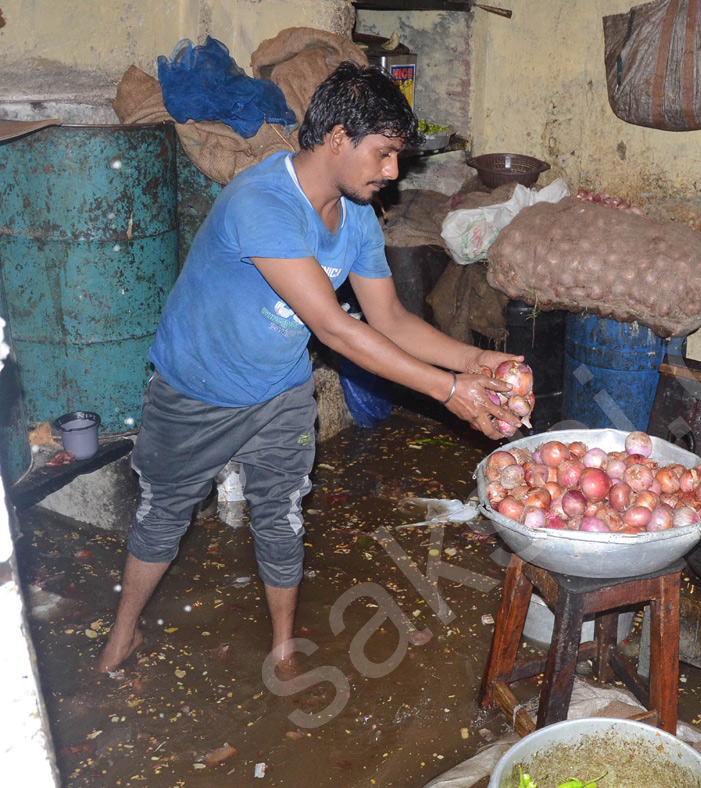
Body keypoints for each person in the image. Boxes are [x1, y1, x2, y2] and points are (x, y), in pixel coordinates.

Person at [97, 63, 520, 675]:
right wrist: (448, 389)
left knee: (281, 512)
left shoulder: (355, 217)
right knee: (164, 514)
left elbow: (390, 320)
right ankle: (123, 632)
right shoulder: (261, 203)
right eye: (384, 154)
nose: (392, 172)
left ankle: (283, 645)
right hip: (198, 389)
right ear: (338, 138)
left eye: (397, 156)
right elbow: (334, 327)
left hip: (280, 388)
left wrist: (476, 359)